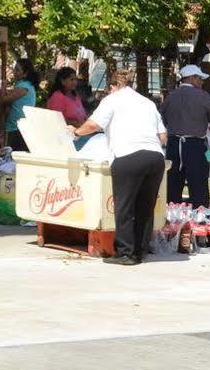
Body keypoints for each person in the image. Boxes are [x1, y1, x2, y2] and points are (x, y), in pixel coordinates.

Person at [72, 69, 167, 265]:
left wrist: (76, 133)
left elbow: (93, 125)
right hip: (155, 157)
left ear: (112, 86)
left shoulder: (112, 100)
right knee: (145, 207)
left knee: (124, 207)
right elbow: (163, 137)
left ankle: (126, 253)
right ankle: (140, 250)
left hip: (128, 155)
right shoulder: (148, 103)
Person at [159, 63, 210, 207]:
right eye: (200, 78)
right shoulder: (203, 96)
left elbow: (162, 121)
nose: (202, 82)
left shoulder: (170, 97)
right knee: (199, 185)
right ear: (192, 78)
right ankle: (199, 222)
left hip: (173, 145)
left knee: (173, 185)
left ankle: (172, 219)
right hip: (196, 146)